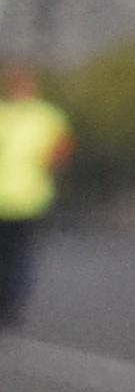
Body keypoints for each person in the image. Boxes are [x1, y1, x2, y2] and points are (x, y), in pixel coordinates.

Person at [0, 57, 66, 329]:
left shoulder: (41, 117)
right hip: (28, 198)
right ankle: (11, 306)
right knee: (19, 257)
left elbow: (60, 153)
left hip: (23, 199)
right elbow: (60, 154)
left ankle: (9, 305)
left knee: (15, 256)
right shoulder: (47, 117)